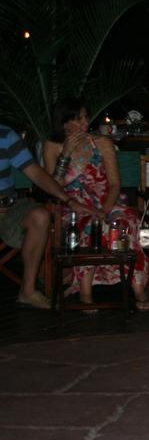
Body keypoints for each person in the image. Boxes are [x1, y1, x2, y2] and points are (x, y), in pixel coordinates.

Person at [42, 99, 149, 310]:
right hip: (73, 206)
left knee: (125, 222)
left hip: (107, 203)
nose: (85, 122)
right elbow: (52, 186)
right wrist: (65, 154)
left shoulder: (101, 143)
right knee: (90, 225)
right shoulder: (52, 146)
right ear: (65, 123)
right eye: (78, 118)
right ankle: (85, 291)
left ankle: (138, 288)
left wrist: (105, 209)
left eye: (85, 117)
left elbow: (115, 184)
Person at [2, 122, 74, 309]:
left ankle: (28, 291)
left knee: (40, 216)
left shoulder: (5, 134)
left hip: (6, 206)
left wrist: (68, 200)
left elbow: (36, 173)